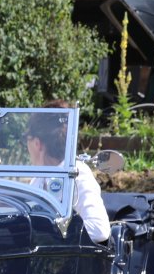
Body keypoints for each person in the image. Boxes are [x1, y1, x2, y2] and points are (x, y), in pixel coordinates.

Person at [26, 101, 110, 242]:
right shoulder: (39, 178)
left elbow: (99, 229)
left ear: (37, 143)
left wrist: (50, 232)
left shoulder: (77, 173)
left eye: (27, 139)